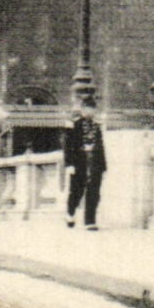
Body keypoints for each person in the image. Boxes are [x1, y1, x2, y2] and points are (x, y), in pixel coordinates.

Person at [64, 97, 107, 230]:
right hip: (79, 161)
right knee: (76, 191)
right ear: (82, 109)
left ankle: (90, 221)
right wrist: (69, 164)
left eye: (93, 109)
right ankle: (70, 212)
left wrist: (103, 165)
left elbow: (100, 145)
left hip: (94, 161)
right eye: (88, 108)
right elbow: (68, 145)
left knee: (94, 192)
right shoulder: (74, 123)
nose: (90, 112)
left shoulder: (97, 124)